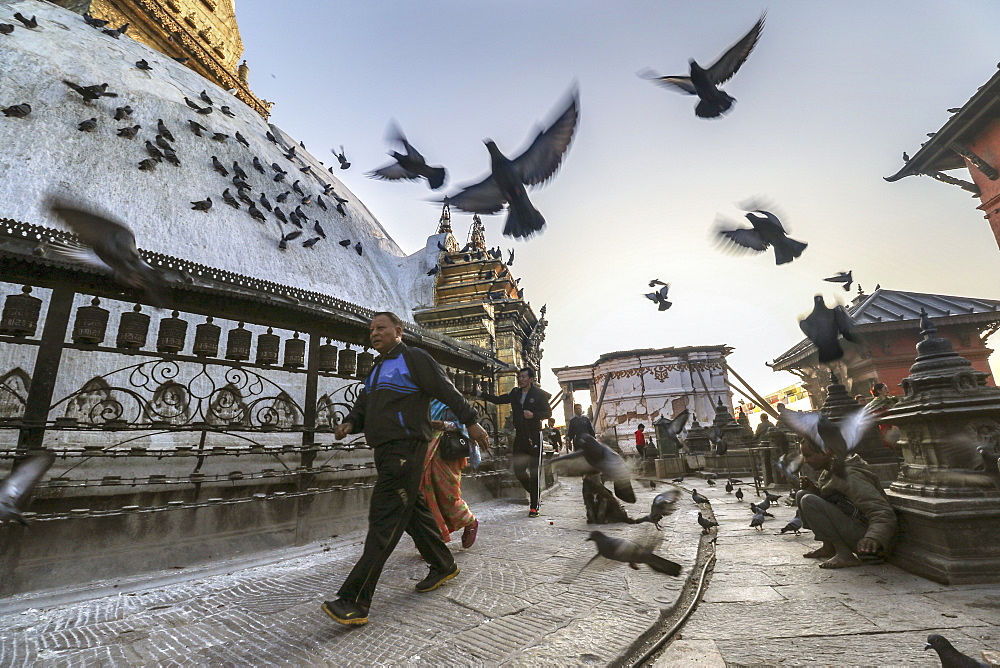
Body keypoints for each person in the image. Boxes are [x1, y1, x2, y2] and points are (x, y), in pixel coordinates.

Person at [322, 312, 490, 627]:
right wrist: (349, 423)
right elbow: (363, 407)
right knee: (410, 509)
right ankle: (443, 564)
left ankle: (355, 600)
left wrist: (471, 420)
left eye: (381, 328)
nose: (374, 333)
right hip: (384, 450)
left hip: (407, 448)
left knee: (384, 518)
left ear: (398, 331)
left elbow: (445, 388)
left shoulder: (413, 358)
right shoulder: (375, 371)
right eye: (371, 329)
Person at [795, 438, 897, 569]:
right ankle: (829, 547)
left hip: (867, 540)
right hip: (855, 527)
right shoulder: (830, 471)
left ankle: (845, 555)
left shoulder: (850, 476)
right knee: (803, 494)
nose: (805, 461)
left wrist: (874, 537)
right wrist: (814, 490)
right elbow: (838, 502)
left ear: (826, 452)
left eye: (808, 455)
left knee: (808, 500)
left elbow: (881, 511)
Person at [479, 367, 552, 517]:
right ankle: (534, 492)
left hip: (534, 436)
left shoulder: (539, 394)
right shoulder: (515, 393)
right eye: (520, 377)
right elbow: (499, 400)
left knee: (534, 472)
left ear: (531, 379)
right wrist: (482, 394)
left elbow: (548, 412)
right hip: (520, 436)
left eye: (524, 377)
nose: (521, 379)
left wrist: (534, 415)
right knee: (519, 471)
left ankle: (534, 507)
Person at [422, 399, 480, 549]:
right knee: (426, 496)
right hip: (425, 448)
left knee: (448, 496)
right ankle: (432, 541)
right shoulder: (420, 398)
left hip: (447, 451)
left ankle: (469, 520)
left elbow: (464, 426)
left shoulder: (450, 399)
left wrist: (442, 425)